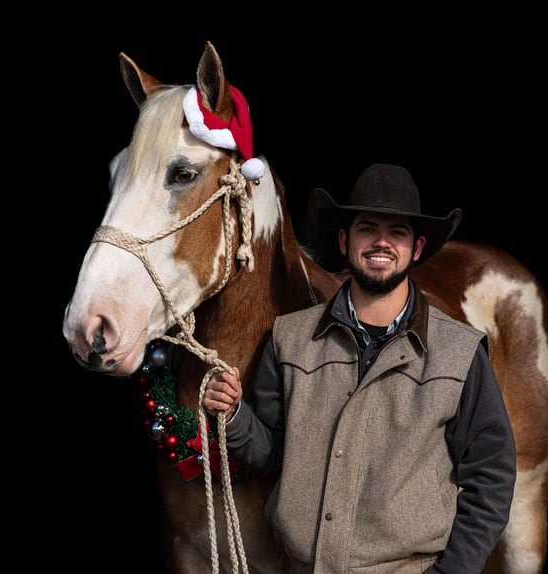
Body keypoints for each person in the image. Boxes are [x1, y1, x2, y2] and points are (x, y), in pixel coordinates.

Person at [202, 163, 516, 574]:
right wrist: (235, 415)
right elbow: (274, 455)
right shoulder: (290, 339)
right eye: (367, 228)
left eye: (397, 232)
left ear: (416, 248)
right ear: (345, 240)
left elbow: (490, 476)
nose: (381, 242)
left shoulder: (458, 351)